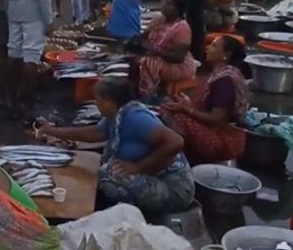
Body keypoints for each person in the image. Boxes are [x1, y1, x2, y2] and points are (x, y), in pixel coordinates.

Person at [38, 79, 193, 213]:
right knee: (107, 165)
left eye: (97, 100)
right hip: (153, 176)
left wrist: (139, 167)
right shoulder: (117, 115)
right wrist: (53, 131)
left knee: (108, 174)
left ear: (110, 101)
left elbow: (176, 142)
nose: (96, 104)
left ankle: (128, 213)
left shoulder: (136, 118)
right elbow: (94, 133)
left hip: (174, 188)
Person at [161, 36, 249, 164]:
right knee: (171, 103)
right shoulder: (224, 73)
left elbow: (216, 118)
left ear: (226, 54)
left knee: (170, 112)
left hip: (225, 140)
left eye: (213, 46)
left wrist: (186, 109)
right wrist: (188, 104)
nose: (207, 48)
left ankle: (181, 156)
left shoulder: (224, 81)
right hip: (226, 132)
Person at [134, 0, 197, 98]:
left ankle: (149, 96)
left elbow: (178, 58)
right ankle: (137, 91)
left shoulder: (182, 28)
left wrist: (154, 49)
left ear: (178, 10)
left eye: (169, 4)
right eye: (164, 2)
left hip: (179, 66)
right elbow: (143, 38)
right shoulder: (158, 20)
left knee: (149, 62)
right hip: (160, 60)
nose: (163, 5)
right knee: (136, 59)